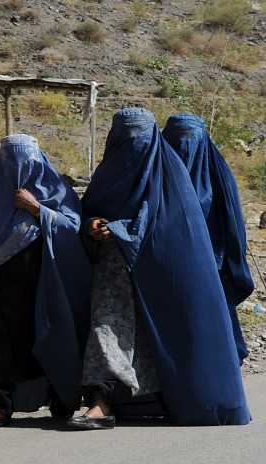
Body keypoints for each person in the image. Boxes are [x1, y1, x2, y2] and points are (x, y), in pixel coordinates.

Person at [68, 107, 251, 430]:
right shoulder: (107, 174)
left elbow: (167, 220)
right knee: (104, 330)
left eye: (138, 135)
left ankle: (173, 398)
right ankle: (100, 403)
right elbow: (88, 211)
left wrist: (121, 230)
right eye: (125, 135)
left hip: (167, 273)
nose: (131, 143)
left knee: (163, 337)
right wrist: (92, 225)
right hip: (113, 275)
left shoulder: (171, 177)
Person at [0, 134, 91, 429]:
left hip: (42, 285)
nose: (17, 168)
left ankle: (61, 400)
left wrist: (37, 208)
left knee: (49, 338)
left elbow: (71, 226)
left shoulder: (57, 190)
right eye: (9, 160)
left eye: (25, 160)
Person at [162, 113, 255, 364]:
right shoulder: (156, 175)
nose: (183, 146)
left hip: (211, 262)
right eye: (176, 139)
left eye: (189, 138)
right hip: (165, 263)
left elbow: (233, 223)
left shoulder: (218, 178)